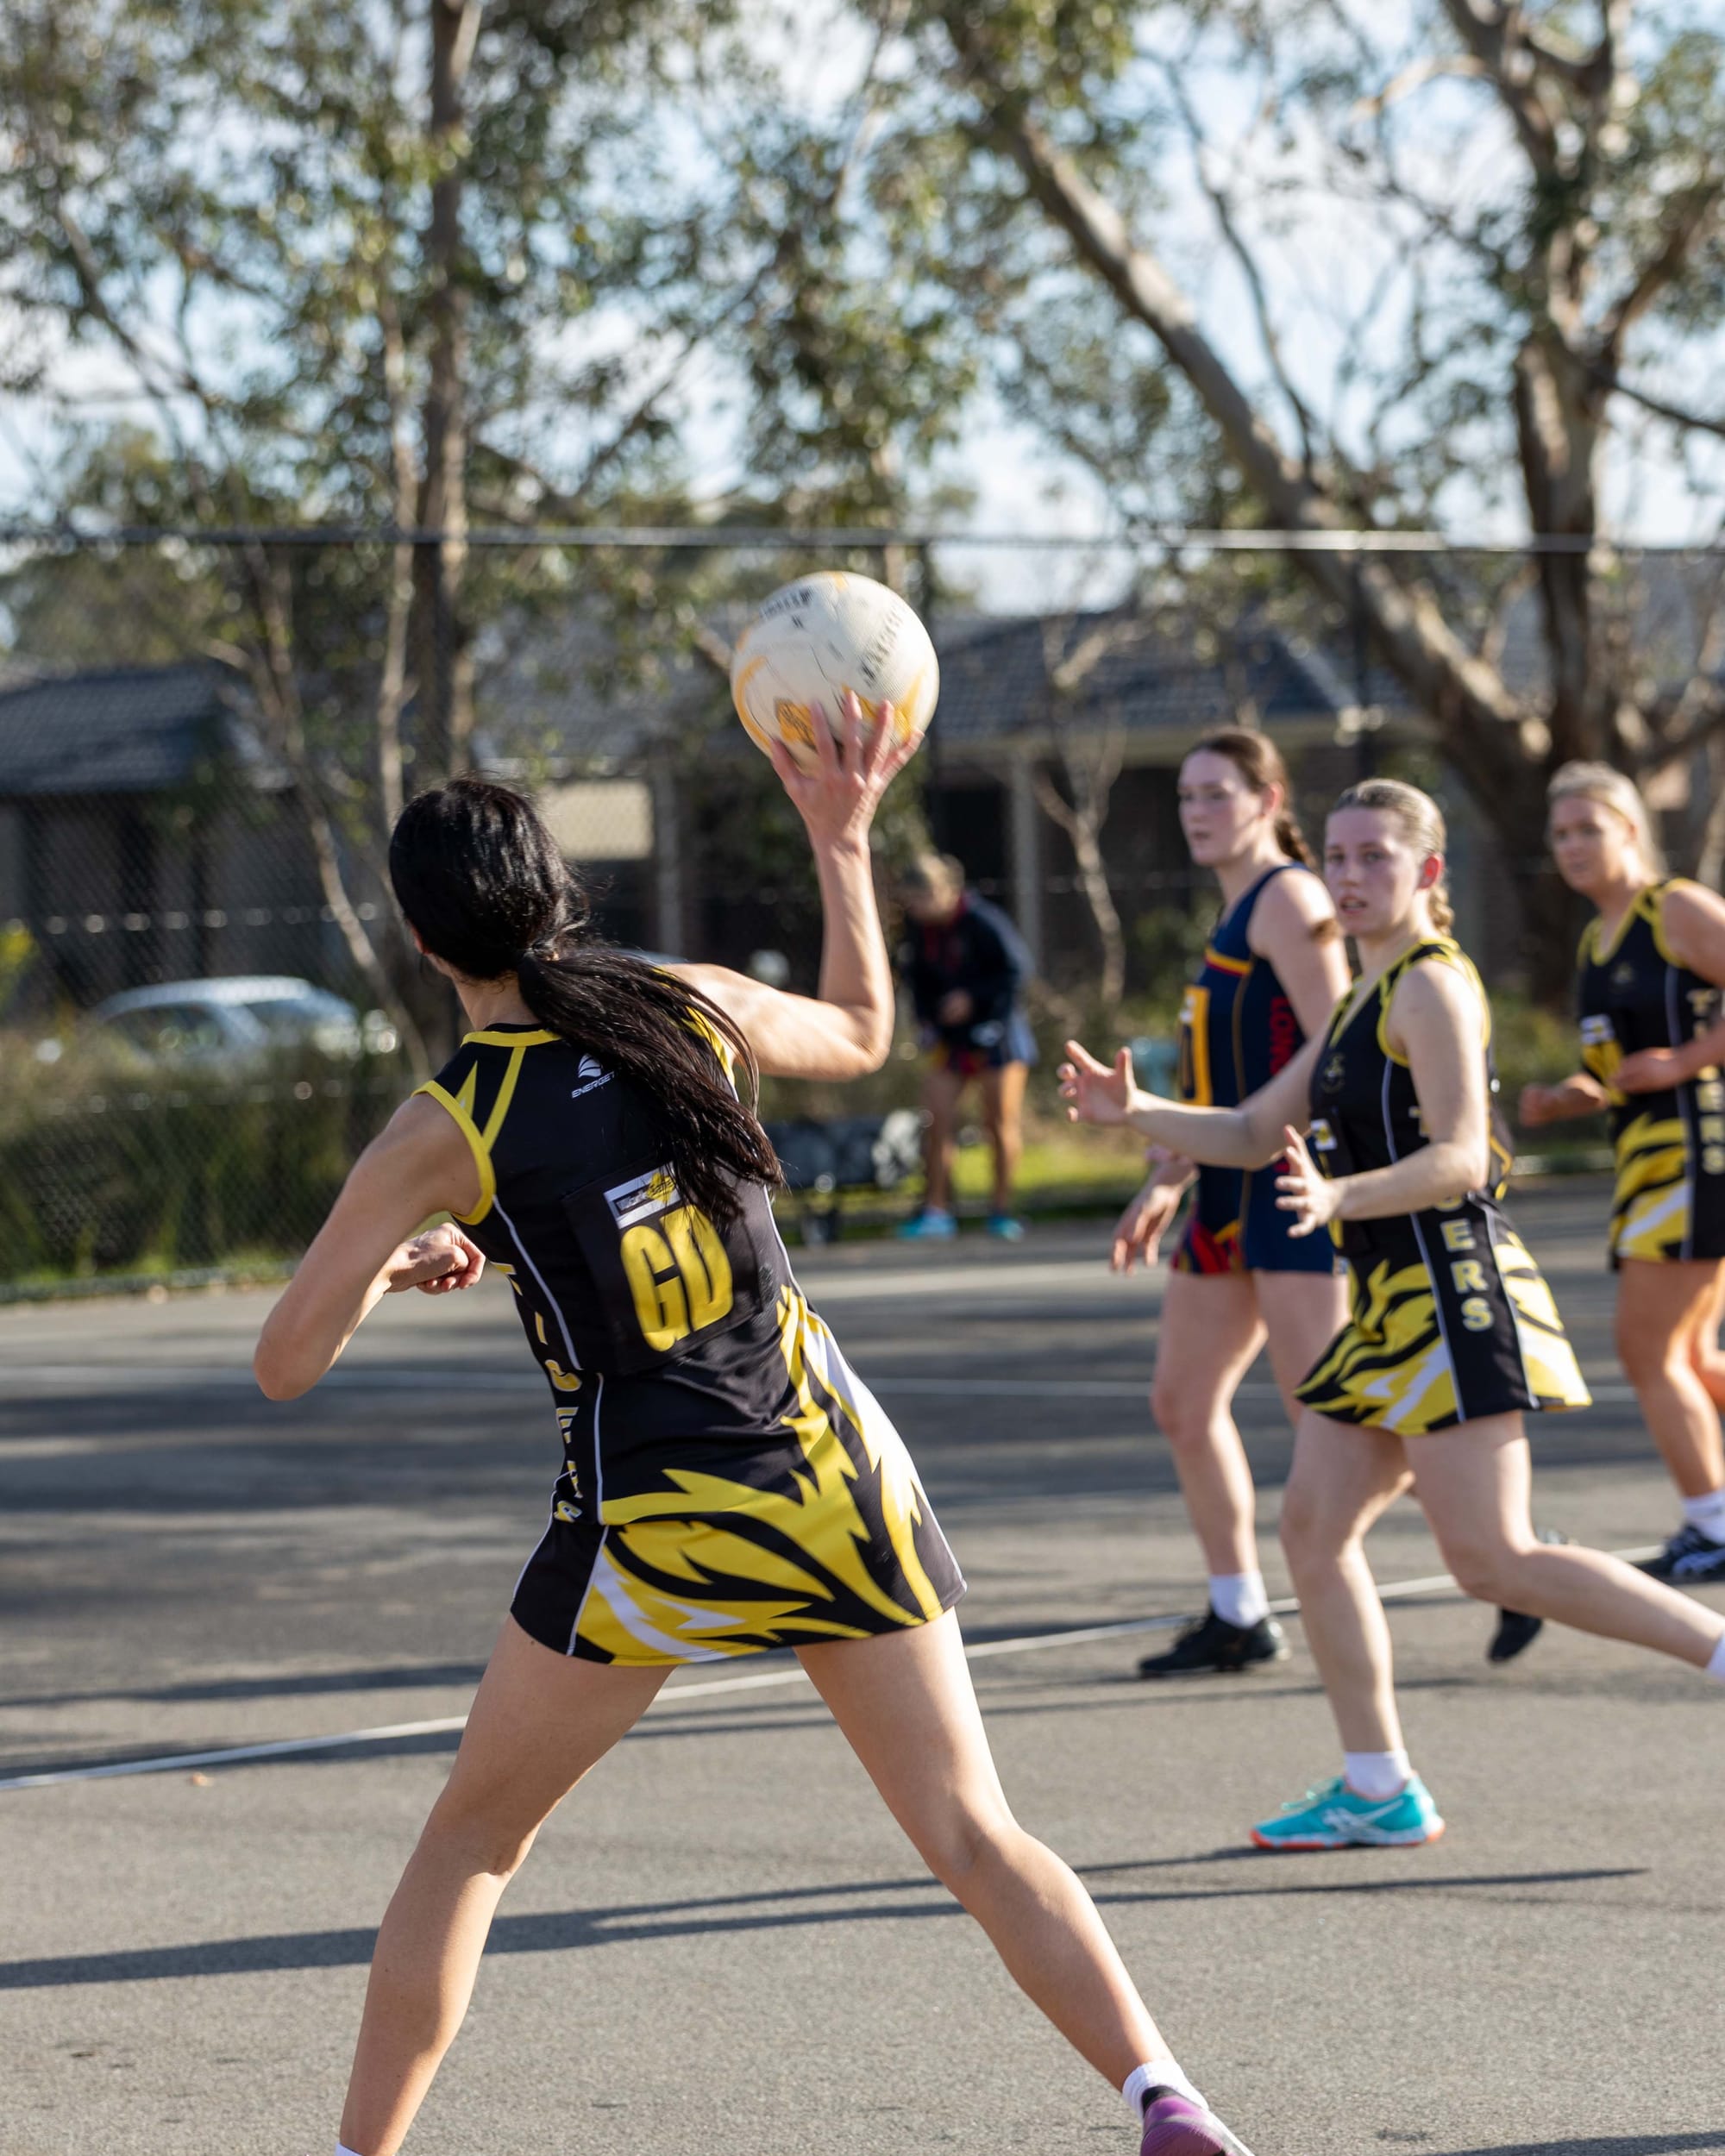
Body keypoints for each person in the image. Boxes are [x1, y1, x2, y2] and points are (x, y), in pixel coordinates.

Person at [253, 700, 1254, 2156]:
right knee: (977, 1835)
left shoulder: (447, 1120)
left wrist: (386, 1264)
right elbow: (860, 1029)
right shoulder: (678, 1001)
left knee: (470, 1845)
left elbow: (287, 1363)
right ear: (556, 894)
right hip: (831, 1465)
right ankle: (1167, 2098)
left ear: (423, 943)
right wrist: (840, 841)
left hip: (659, 1518)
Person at [1062, 778, 1725, 1851]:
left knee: (1494, 1560)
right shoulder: (1358, 1004)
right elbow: (1244, 1127)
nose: (1349, 873)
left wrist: (1339, 1197)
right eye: (1336, 855)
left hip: (1451, 1289)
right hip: (1388, 1306)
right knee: (1312, 1530)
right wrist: (1133, 1112)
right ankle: (1377, 1786)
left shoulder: (1430, 987)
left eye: (1375, 855)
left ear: (1426, 874)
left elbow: (1463, 1154)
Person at [1111, 730, 1352, 1677]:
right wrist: (1167, 1174)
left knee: (1324, 1419)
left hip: (1285, 1177)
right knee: (1181, 1399)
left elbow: (1335, 1039)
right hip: (1221, 1185)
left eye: (1216, 792)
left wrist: (1248, 1132)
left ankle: (1504, 1538)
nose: (1197, 812)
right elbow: (1224, 1072)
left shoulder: (1288, 896)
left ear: (1266, 797)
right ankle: (1236, 1608)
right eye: (1185, 795)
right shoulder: (1227, 916)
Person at [1520, 761, 1725, 1583]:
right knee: (1692, 1354)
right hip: (1647, 1162)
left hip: (1698, 1156)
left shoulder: (1673, 908)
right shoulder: (1595, 938)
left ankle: (1711, 1524)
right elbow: (1612, 1068)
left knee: (1645, 1350)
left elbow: (1671, 1058)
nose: (1572, 846)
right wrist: (1567, 1095)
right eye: (1560, 833)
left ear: (1631, 829)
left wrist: (1687, 1060)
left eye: (1588, 829)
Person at [897, 851, 1036, 1240]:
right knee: (937, 1119)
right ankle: (937, 1212)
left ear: (945, 890)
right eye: (911, 902)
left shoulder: (984, 921)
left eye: (922, 899)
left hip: (999, 1039)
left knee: (999, 1123)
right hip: (950, 1041)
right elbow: (917, 982)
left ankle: (1001, 1212)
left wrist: (972, 998)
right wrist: (929, 1021)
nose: (917, 909)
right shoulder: (920, 931)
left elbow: (1017, 972)